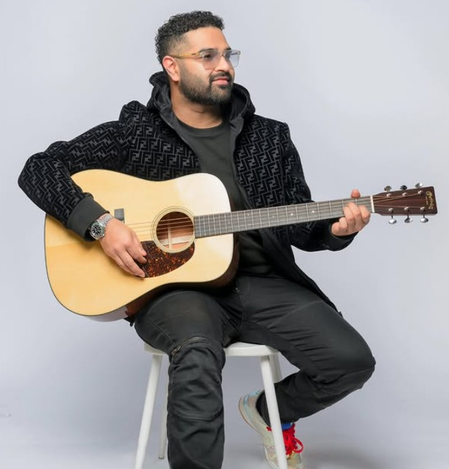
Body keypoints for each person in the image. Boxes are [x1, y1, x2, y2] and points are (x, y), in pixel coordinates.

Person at [18, 10, 375, 469]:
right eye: (208, 56)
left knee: (351, 360)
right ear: (172, 66)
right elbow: (39, 169)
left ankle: (268, 412)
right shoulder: (135, 132)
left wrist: (335, 230)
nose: (223, 65)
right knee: (196, 351)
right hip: (175, 290)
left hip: (263, 283)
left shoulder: (269, 137)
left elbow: (297, 221)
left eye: (227, 54)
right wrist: (101, 224)